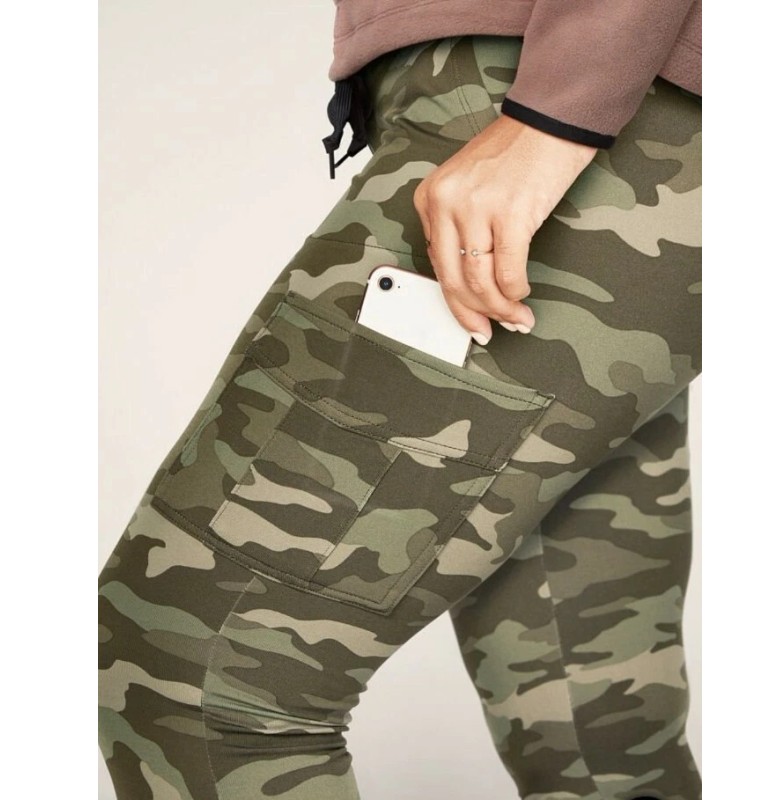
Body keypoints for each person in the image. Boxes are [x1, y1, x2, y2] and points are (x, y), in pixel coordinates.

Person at [98, 1, 702, 798]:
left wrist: (556, 114)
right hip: (641, 118)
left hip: (592, 108)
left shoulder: (564, 108)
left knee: (194, 673)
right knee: (591, 725)